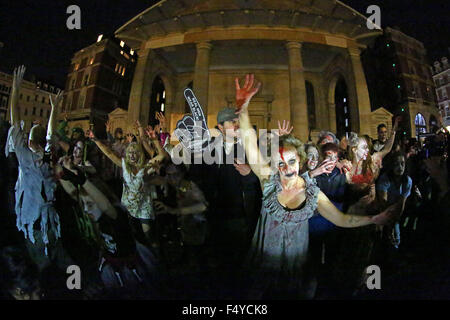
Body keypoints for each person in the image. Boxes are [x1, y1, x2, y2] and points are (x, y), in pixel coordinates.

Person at [236, 74, 396, 299]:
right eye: (280, 163)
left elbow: (340, 218)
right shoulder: (268, 181)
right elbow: (249, 141)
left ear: (299, 161)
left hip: (296, 268)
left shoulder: (312, 192)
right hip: (264, 264)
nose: (287, 168)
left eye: (291, 161)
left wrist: (372, 219)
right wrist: (243, 108)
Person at [6, 66, 73, 271]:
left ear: (30, 141)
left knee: (42, 266)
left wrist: (15, 90)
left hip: (35, 224)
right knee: (59, 257)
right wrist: (54, 109)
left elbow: (15, 122)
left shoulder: (26, 159)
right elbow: (51, 134)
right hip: (51, 221)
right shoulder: (46, 157)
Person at [87, 125, 167, 247]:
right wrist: (95, 140)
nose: (132, 155)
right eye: (130, 152)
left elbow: (161, 156)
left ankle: (154, 258)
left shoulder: (145, 168)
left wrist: (155, 139)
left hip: (143, 207)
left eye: (135, 152)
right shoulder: (124, 165)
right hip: (128, 206)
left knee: (149, 237)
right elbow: (109, 153)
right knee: (132, 235)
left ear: (139, 154)